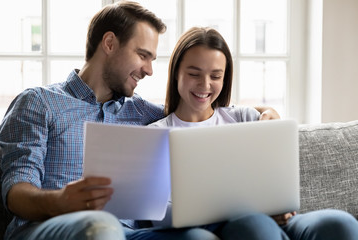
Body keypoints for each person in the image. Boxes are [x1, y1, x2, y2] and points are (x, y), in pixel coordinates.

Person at [0, 2, 280, 240]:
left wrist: (264, 112)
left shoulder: (144, 113)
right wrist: (60, 202)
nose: (148, 70)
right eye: (142, 55)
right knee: (102, 227)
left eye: (153, 59)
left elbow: (202, 109)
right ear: (109, 43)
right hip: (48, 226)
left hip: (131, 233)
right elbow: (16, 192)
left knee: (198, 237)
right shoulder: (39, 102)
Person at [149, 27, 358, 240]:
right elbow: (155, 214)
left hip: (278, 219)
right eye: (194, 74)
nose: (205, 85)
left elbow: (276, 173)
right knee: (256, 227)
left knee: (340, 223)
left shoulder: (242, 118)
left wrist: (278, 204)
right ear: (176, 72)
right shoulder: (155, 135)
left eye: (216, 76)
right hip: (226, 227)